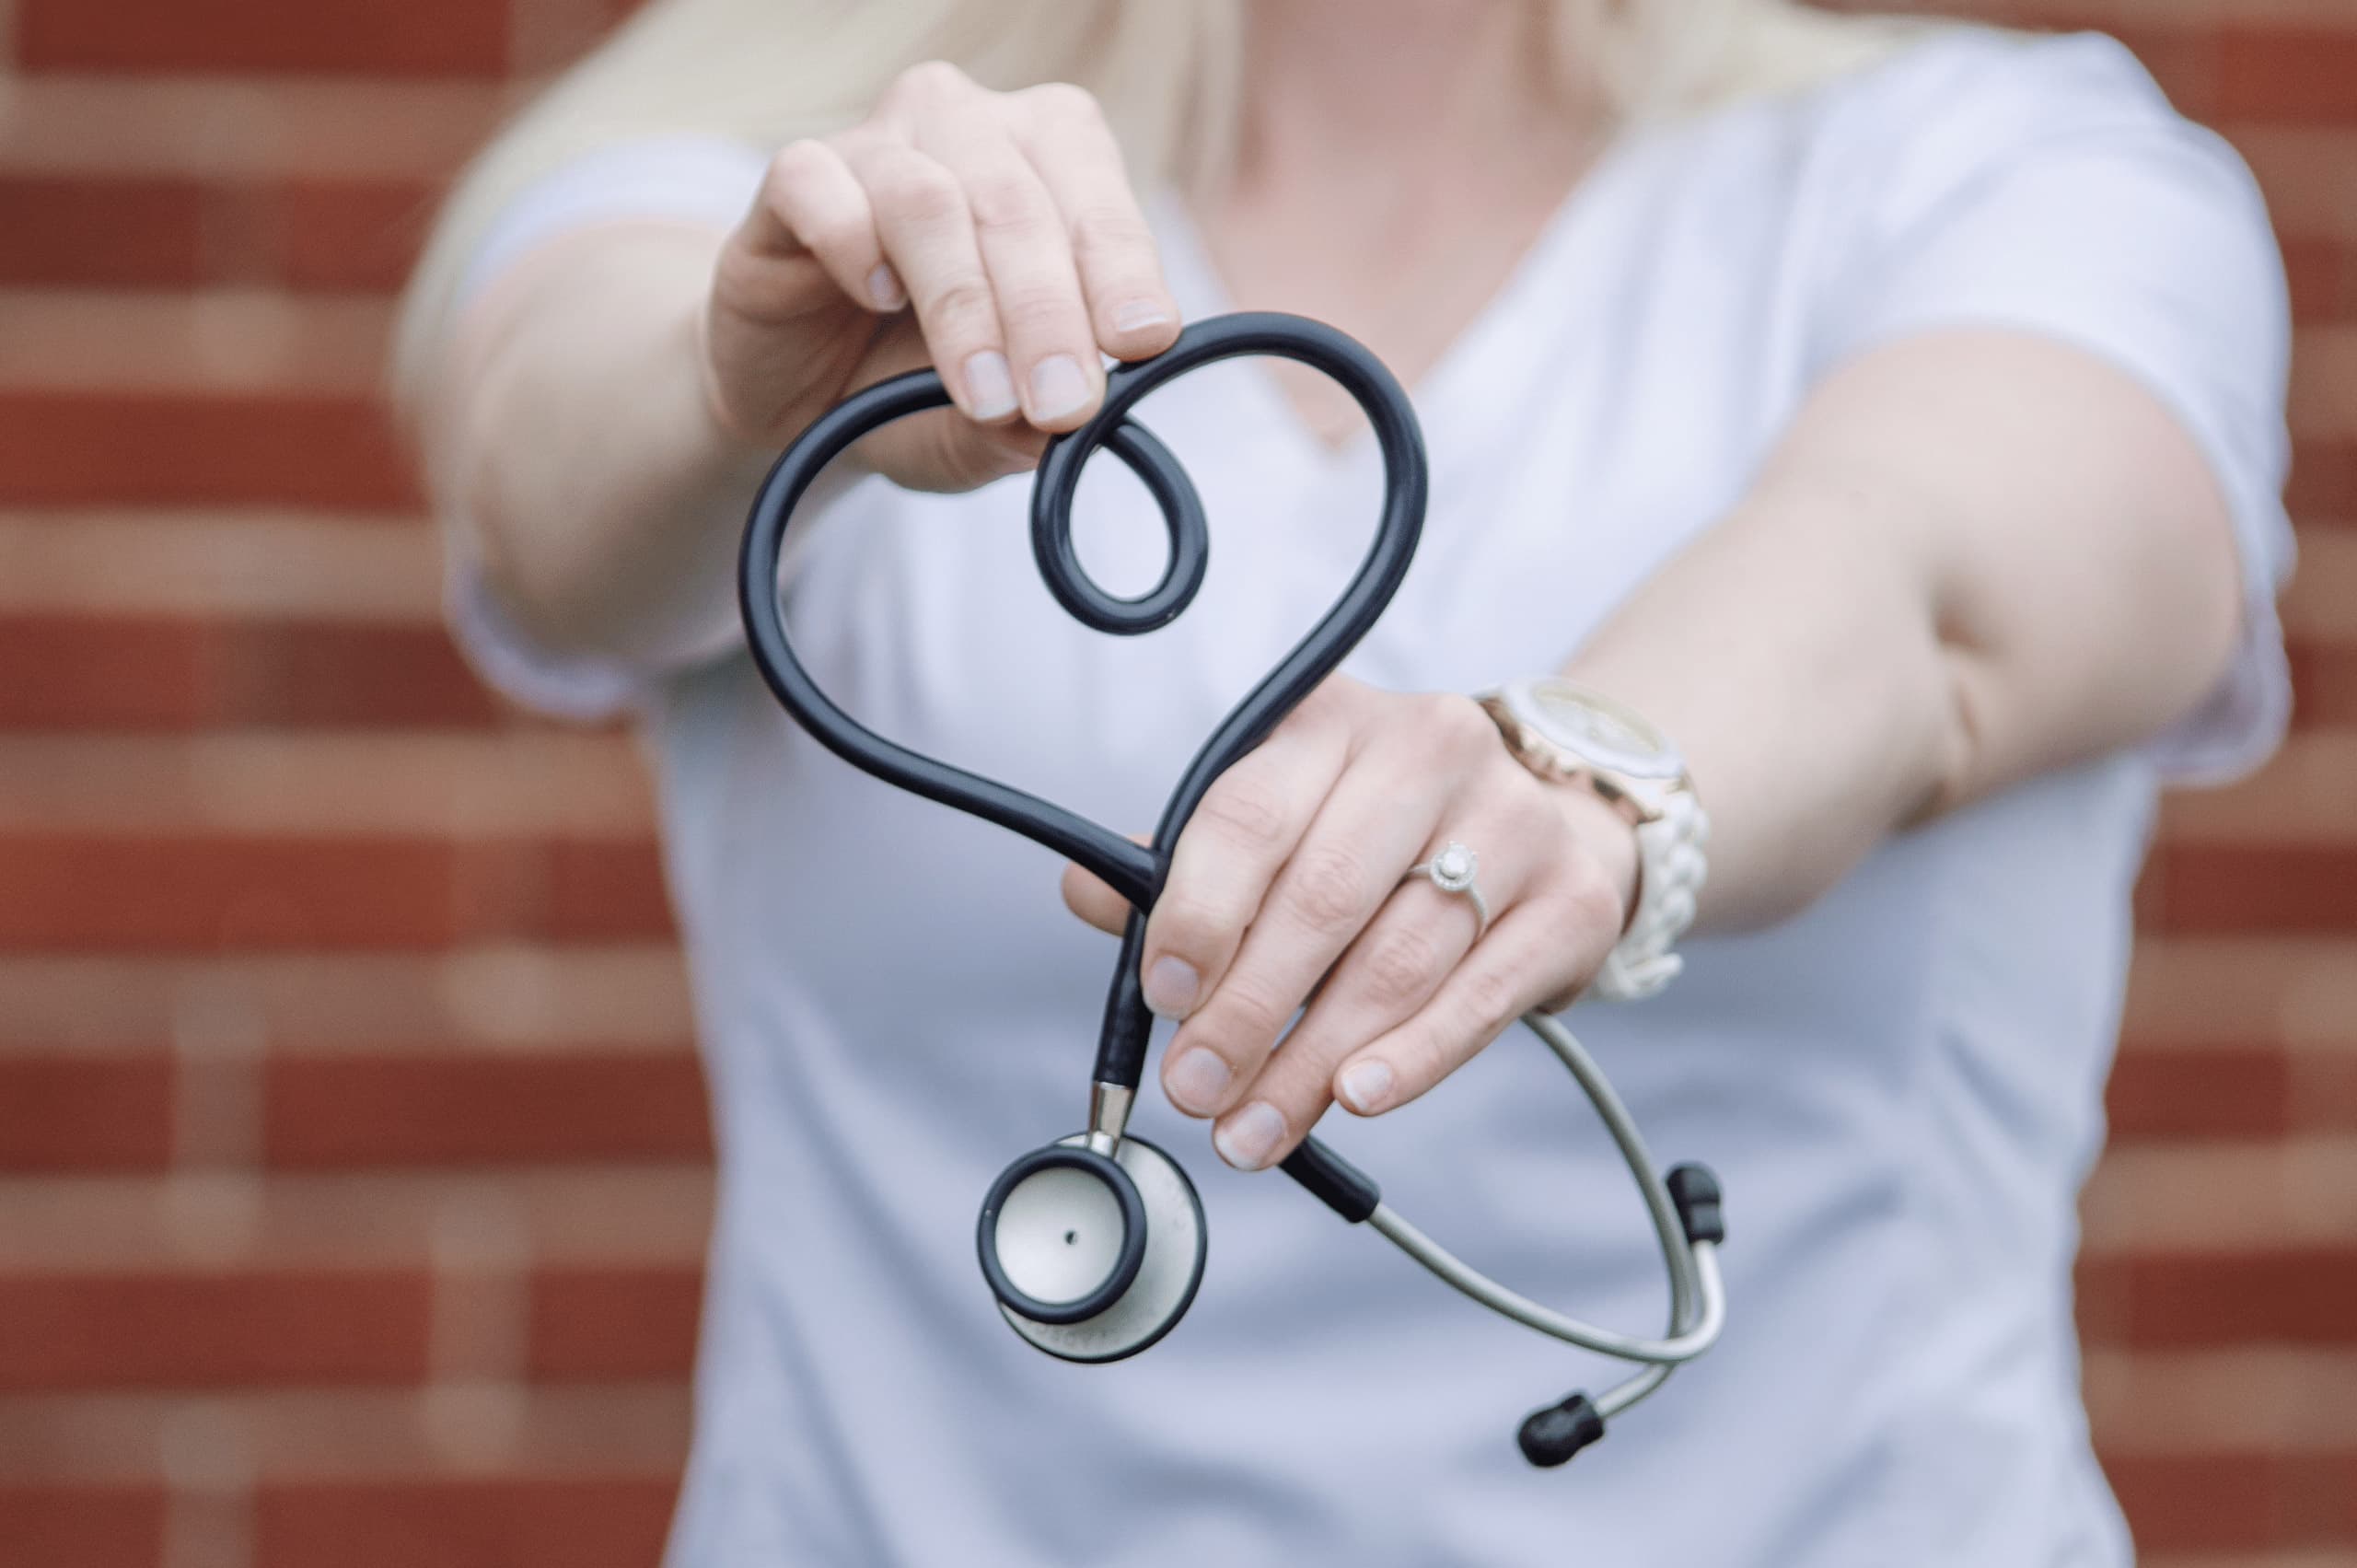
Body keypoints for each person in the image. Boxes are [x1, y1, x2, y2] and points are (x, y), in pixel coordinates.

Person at [396, 0, 2294, 1561]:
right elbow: (552, 489)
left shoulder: (2008, 176)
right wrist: (750, 390)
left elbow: (1926, 591)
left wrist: (1583, 784)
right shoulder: (799, 185)